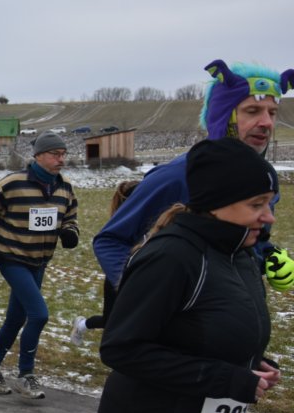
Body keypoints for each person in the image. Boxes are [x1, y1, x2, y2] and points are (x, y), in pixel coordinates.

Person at [94, 138, 282, 413]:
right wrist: (228, 377)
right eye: (256, 204)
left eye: (269, 203)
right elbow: (122, 348)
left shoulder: (240, 254)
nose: (268, 216)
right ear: (217, 203)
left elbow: (210, 330)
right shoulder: (171, 256)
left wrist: (253, 362)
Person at [94, 59, 294, 292]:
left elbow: (245, 241)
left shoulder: (266, 178)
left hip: (239, 304)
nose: (267, 123)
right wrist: (143, 293)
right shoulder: (178, 176)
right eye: (252, 111)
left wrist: (268, 255)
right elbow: (110, 241)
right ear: (223, 116)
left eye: (272, 113)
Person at [0, 131, 79, 400]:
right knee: (39, 314)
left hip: (39, 261)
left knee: (16, 318)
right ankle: (26, 374)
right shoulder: (12, 183)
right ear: (39, 156)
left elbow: (70, 216)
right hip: (12, 258)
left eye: (63, 154)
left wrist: (70, 231)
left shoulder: (65, 186)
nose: (61, 159)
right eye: (55, 154)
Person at [69, 180, 138, 345]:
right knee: (110, 321)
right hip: (118, 276)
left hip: (139, 274)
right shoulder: (123, 224)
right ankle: (81, 325)